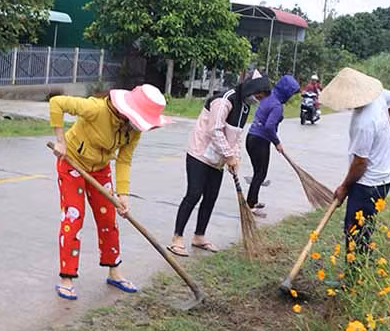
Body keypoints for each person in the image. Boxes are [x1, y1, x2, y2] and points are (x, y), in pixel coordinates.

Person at [49, 84, 169, 300]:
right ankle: (66, 277)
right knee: (73, 217)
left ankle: (115, 271)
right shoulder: (96, 109)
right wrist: (60, 141)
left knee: (109, 220)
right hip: (72, 164)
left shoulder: (133, 130)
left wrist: (123, 195)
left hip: (100, 170)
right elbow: (56, 102)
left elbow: (124, 159)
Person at [168, 76, 272, 256]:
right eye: (259, 96)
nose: (258, 101)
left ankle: (199, 236)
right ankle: (177, 237)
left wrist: (235, 158)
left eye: (261, 99)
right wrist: (229, 155)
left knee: (210, 197)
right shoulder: (224, 100)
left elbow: (237, 135)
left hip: (218, 159)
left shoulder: (245, 107)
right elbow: (214, 130)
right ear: (251, 90)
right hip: (199, 154)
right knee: (194, 194)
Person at [320, 68, 390, 252]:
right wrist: (382, 130)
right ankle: (359, 275)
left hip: (367, 185)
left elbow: (360, 164)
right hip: (384, 178)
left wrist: (344, 187)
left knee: (355, 232)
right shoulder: (379, 97)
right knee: (364, 230)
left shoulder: (364, 122)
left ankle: (354, 278)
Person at [245, 75, 300, 217]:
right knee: (260, 174)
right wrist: (277, 142)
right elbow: (269, 126)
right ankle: (250, 205)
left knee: (258, 172)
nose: (291, 97)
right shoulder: (277, 106)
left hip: (251, 138)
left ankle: (253, 200)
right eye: (291, 93)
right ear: (286, 92)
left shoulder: (268, 98)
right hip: (260, 141)